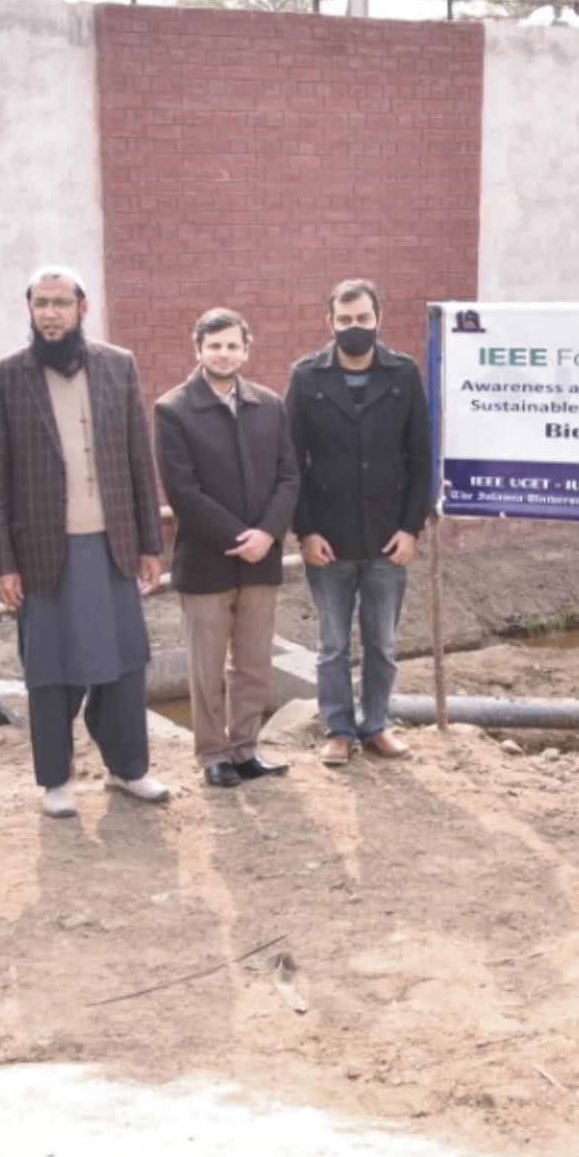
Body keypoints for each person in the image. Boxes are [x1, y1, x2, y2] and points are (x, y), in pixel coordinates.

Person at [0, 266, 169, 818]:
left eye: (61, 302)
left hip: (112, 546)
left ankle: (129, 768)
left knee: (125, 662)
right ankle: (56, 779)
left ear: (82, 307)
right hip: (44, 552)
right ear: (30, 309)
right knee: (50, 668)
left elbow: (138, 456)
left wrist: (150, 544)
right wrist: (3, 563)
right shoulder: (3, 378)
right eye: (40, 303)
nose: (50, 313)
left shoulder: (119, 365)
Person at [285, 279, 433, 767]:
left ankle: (376, 725)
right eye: (344, 320)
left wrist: (412, 528)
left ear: (378, 319)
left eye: (362, 319)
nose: (354, 328)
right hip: (328, 540)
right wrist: (305, 531)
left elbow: (420, 458)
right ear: (329, 322)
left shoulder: (404, 374)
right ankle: (338, 730)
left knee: (383, 645)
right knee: (332, 646)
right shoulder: (306, 378)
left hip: (390, 539)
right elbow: (291, 463)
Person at [154, 309, 300, 789]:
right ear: (198, 349)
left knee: (253, 664)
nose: (224, 353)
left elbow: (288, 476)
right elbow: (182, 491)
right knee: (207, 667)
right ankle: (213, 754)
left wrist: (269, 534)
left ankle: (246, 749)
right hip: (206, 564)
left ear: (246, 349)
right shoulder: (173, 409)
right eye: (214, 345)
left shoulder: (269, 404)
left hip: (262, 561)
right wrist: (241, 538)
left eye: (233, 345)